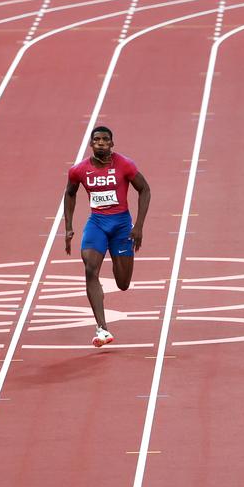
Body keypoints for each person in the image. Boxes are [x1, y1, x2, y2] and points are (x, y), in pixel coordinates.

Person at [63, 126, 151, 347]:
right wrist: (69, 227)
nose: (101, 143)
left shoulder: (125, 165)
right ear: (91, 144)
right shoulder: (78, 170)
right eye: (97, 140)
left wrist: (138, 226)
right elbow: (70, 193)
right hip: (97, 224)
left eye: (105, 140)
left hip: (122, 225)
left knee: (122, 283)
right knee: (90, 269)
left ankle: (116, 257)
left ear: (112, 144)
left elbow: (145, 189)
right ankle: (102, 328)